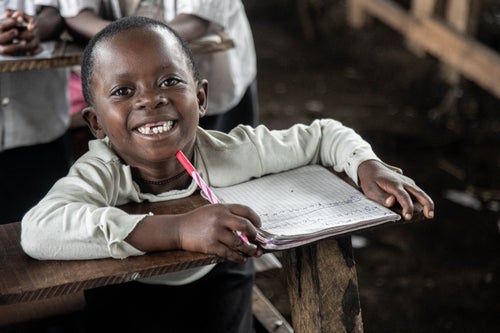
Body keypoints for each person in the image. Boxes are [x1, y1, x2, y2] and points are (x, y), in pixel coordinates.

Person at [20, 16, 434, 332]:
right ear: (95, 123)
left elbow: (324, 134)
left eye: (169, 81)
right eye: (123, 91)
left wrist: (368, 165)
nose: (151, 100)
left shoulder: (230, 152)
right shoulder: (101, 171)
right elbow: (38, 231)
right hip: (128, 299)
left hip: (220, 287)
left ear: (200, 98)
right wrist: (177, 231)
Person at [61, 0, 258, 133]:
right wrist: (125, 39)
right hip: (122, 53)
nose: (149, 99)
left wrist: (130, 40)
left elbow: (196, 18)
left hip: (210, 67)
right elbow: (76, 13)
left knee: (219, 152)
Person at [0, 1, 72, 224]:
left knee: (48, 230)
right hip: (40, 125)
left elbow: (59, 11)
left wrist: (30, 29)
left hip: (40, 130)